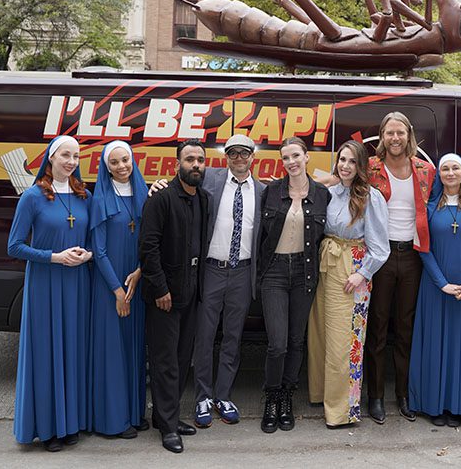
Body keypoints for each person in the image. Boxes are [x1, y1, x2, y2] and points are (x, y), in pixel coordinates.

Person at [148, 135, 265, 428]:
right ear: (225, 157)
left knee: (233, 338)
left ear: (253, 157)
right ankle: (202, 396)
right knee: (204, 336)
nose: (239, 158)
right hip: (211, 271)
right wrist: (157, 183)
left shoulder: (263, 190)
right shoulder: (209, 179)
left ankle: (223, 395)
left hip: (243, 271)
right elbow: (179, 180)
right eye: (233, 153)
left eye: (244, 153)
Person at [8, 135, 92, 452]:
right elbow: (14, 246)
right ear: (51, 158)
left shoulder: (84, 195)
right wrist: (54, 257)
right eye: (65, 155)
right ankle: (47, 428)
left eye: (76, 156)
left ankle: (70, 424)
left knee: (72, 352)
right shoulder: (32, 197)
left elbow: (95, 238)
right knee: (46, 355)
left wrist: (89, 255)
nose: (71, 161)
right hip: (45, 284)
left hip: (76, 285)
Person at [307, 140, 389, 427]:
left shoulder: (370, 197)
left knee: (345, 342)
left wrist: (362, 274)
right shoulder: (329, 193)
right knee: (321, 336)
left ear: (361, 165)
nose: (345, 166)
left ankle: (342, 411)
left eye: (352, 161)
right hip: (326, 267)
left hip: (351, 270)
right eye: (342, 160)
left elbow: (381, 248)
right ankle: (322, 395)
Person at [139, 139, 210, 454]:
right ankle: (168, 428)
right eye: (190, 159)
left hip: (191, 292)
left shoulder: (203, 199)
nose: (196, 165)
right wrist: (160, 289)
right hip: (164, 295)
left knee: (182, 360)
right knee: (165, 361)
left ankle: (165, 416)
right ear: (177, 164)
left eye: (200, 160)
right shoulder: (161, 199)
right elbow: (148, 248)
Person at [363, 112, 435, 423]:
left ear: (409, 136)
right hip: (380, 256)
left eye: (400, 133)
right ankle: (375, 396)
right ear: (382, 136)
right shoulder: (371, 167)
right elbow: (342, 183)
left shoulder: (425, 170)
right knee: (378, 328)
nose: (395, 138)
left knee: (405, 329)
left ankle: (403, 395)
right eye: (389, 133)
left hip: (412, 258)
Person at [259, 137, 331, 433]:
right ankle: (272, 397)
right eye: (285, 157)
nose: (291, 162)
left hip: (305, 272)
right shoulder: (271, 192)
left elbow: (351, 183)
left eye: (296, 156)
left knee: (296, 341)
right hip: (274, 271)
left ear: (307, 157)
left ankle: (287, 397)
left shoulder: (322, 194)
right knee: (277, 344)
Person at [408, 153, 461, 428]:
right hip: (435, 287)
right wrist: (442, 283)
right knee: (436, 343)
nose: (450, 173)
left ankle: (458, 404)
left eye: (455, 168)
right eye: (445, 169)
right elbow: (423, 250)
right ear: (438, 175)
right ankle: (434, 404)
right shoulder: (429, 209)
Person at [88, 141, 147, 439]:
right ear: (105, 166)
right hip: (110, 288)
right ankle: (113, 420)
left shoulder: (143, 192)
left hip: (135, 282)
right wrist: (117, 290)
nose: (122, 166)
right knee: (112, 352)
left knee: (133, 348)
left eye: (126, 160)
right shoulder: (99, 199)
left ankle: (135, 413)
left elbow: (149, 240)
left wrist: (138, 272)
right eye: (115, 162)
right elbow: (98, 252)